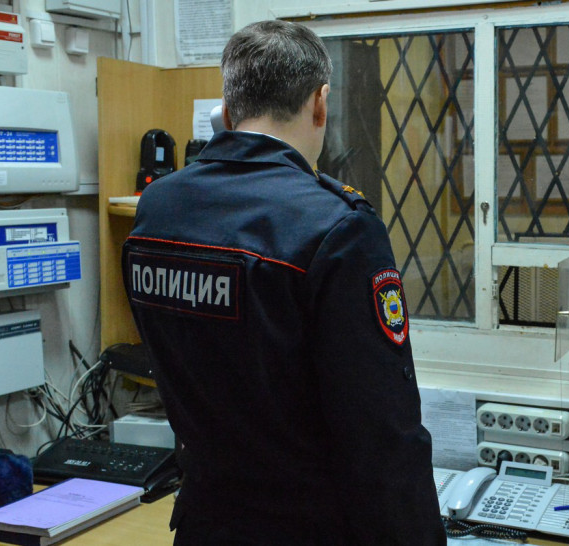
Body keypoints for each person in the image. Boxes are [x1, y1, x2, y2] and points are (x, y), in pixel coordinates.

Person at [122, 20, 446, 545]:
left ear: (228, 111)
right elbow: (380, 433)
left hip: (205, 522)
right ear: (320, 104)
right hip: (308, 529)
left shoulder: (159, 207)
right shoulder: (336, 225)